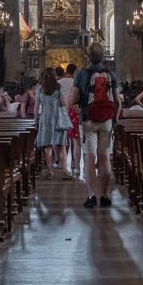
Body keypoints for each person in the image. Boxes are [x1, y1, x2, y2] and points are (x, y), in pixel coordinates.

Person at [70, 42, 119, 208]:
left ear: (88, 57)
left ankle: (91, 196)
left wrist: (78, 109)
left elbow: (72, 99)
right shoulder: (111, 74)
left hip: (88, 120)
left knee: (90, 158)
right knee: (105, 158)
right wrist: (114, 119)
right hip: (107, 120)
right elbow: (118, 100)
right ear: (103, 56)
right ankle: (104, 195)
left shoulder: (82, 74)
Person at [34, 68, 69, 178]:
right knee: (61, 145)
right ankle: (64, 170)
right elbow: (63, 103)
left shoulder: (40, 89)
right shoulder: (58, 87)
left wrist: (36, 119)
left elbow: (36, 106)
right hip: (58, 118)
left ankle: (50, 171)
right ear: (55, 76)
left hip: (45, 118)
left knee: (48, 146)